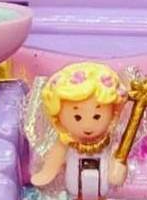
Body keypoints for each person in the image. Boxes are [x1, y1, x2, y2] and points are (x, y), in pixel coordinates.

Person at [31, 62, 129, 199]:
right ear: (58, 116)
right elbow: (54, 160)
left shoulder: (110, 145)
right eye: (77, 117)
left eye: (97, 116)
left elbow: (115, 174)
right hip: (76, 191)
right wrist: (46, 173)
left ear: (113, 113)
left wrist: (118, 171)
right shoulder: (66, 145)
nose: (88, 126)